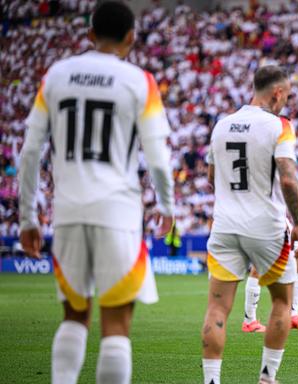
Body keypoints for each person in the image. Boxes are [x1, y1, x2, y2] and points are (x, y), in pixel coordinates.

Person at [18, 2, 175, 383]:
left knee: (74, 316)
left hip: (68, 210)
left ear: (89, 34)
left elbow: (29, 151)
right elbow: (157, 155)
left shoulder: (56, 75)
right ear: (130, 38)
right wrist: (167, 206)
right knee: (116, 323)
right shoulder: (140, 81)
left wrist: (27, 216)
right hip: (118, 212)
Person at [201, 65, 298, 384]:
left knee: (217, 308)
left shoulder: (222, 125)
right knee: (282, 303)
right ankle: (266, 377)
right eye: (286, 94)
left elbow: (210, 178)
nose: (286, 100)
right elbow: (287, 178)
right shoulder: (279, 126)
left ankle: (211, 380)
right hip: (267, 227)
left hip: (225, 225)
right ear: (277, 92)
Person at [242, 247, 298, 333]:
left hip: (288, 234)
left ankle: (293, 316)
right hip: (269, 234)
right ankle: (249, 321)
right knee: (259, 266)